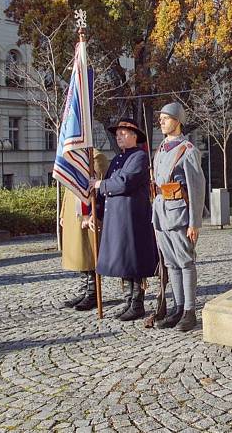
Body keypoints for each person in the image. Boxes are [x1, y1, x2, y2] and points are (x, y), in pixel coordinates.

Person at [89, 118, 158, 322]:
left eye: (124, 133)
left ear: (135, 136)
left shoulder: (140, 157)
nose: (119, 136)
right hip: (116, 219)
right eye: (117, 134)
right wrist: (96, 212)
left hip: (133, 218)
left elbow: (123, 183)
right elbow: (105, 191)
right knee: (123, 261)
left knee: (134, 261)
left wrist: (100, 183)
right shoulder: (118, 159)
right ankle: (128, 301)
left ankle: (137, 303)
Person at [151, 103, 205, 332]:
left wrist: (194, 222)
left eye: (166, 118)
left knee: (185, 262)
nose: (161, 122)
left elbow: (196, 188)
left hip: (180, 214)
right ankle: (177, 307)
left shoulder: (188, 150)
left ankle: (190, 311)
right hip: (161, 214)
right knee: (171, 264)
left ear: (178, 120)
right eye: (160, 119)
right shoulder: (161, 148)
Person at [60, 149, 109, 311]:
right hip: (73, 213)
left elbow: (99, 189)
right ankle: (84, 289)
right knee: (79, 254)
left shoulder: (96, 157)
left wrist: (92, 212)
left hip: (89, 212)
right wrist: (62, 212)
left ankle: (93, 293)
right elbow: (68, 188)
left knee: (89, 252)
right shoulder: (72, 156)